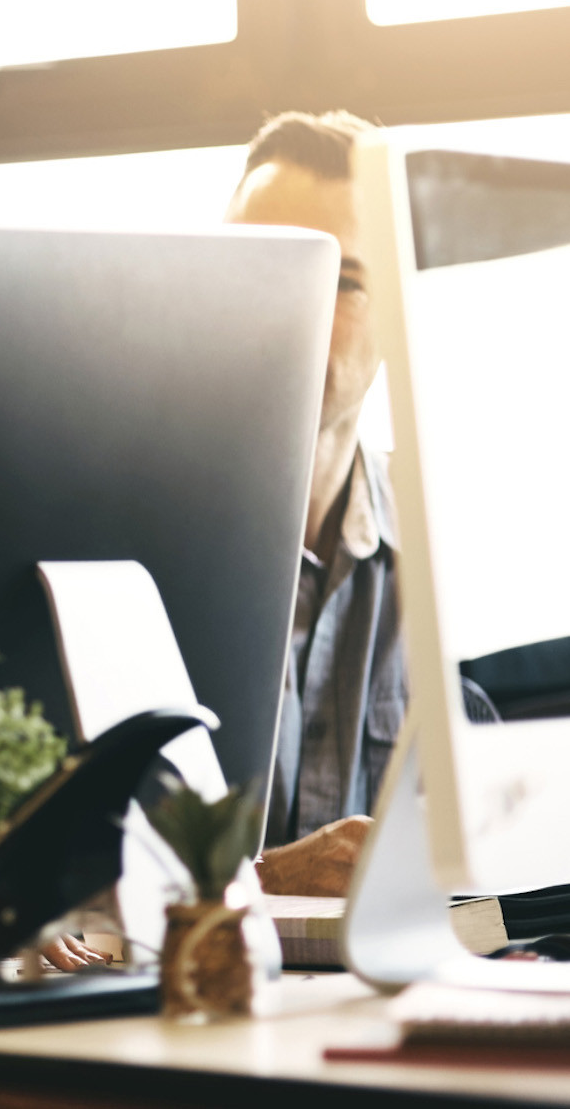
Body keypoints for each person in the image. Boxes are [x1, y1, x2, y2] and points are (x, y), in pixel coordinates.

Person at [222, 112, 399, 897]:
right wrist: (262, 883)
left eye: (346, 281)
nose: (299, 306)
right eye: (265, 263)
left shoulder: (441, 561)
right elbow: (66, 908)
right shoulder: (120, 551)